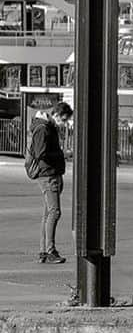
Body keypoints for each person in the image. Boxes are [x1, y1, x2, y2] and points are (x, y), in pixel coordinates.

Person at [25, 98, 73, 265]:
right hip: (48, 175)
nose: (65, 124)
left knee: (48, 214)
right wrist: (61, 155)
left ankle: (44, 251)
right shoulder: (44, 129)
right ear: (57, 115)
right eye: (64, 120)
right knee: (54, 212)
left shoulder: (47, 127)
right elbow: (41, 154)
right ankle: (50, 251)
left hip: (50, 174)